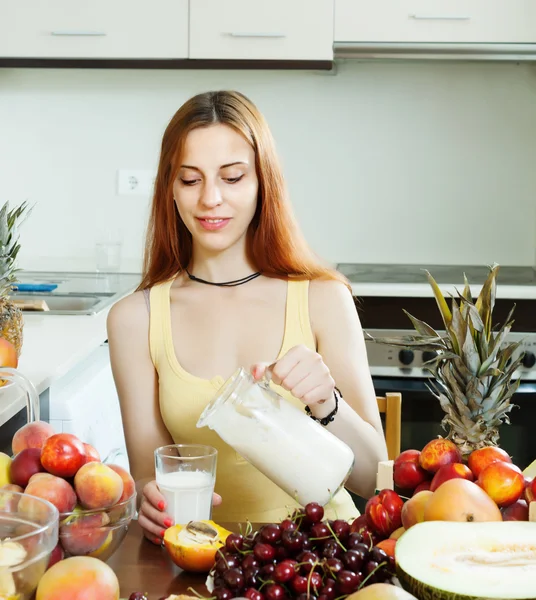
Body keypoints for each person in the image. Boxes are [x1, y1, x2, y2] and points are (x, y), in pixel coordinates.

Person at [107, 90, 388, 545]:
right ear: (169, 189)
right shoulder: (134, 319)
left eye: (232, 177)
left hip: (323, 562)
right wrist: (150, 504)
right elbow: (149, 478)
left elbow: (375, 480)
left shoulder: (322, 298)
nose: (210, 199)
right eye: (190, 179)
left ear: (263, 182)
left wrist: (326, 402)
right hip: (209, 565)